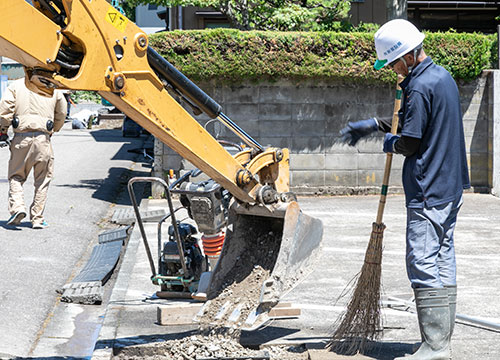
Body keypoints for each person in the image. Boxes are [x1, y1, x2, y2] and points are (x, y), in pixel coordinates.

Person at [340, 19, 470, 359]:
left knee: (422, 261)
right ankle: (440, 342)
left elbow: (410, 142)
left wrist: (386, 141)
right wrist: (375, 125)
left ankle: (434, 346)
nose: (392, 69)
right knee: (442, 259)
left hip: (427, 188)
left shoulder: (418, 86)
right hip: (450, 186)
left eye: (394, 62)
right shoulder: (441, 78)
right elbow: (414, 121)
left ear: (408, 56)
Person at [0, 77, 67, 229]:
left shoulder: (16, 85)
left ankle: (18, 208)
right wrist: (54, 129)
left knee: (16, 176)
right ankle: (37, 218)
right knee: (42, 180)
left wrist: (3, 129)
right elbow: (62, 111)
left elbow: (5, 108)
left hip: (21, 139)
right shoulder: (52, 87)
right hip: (43, 138)